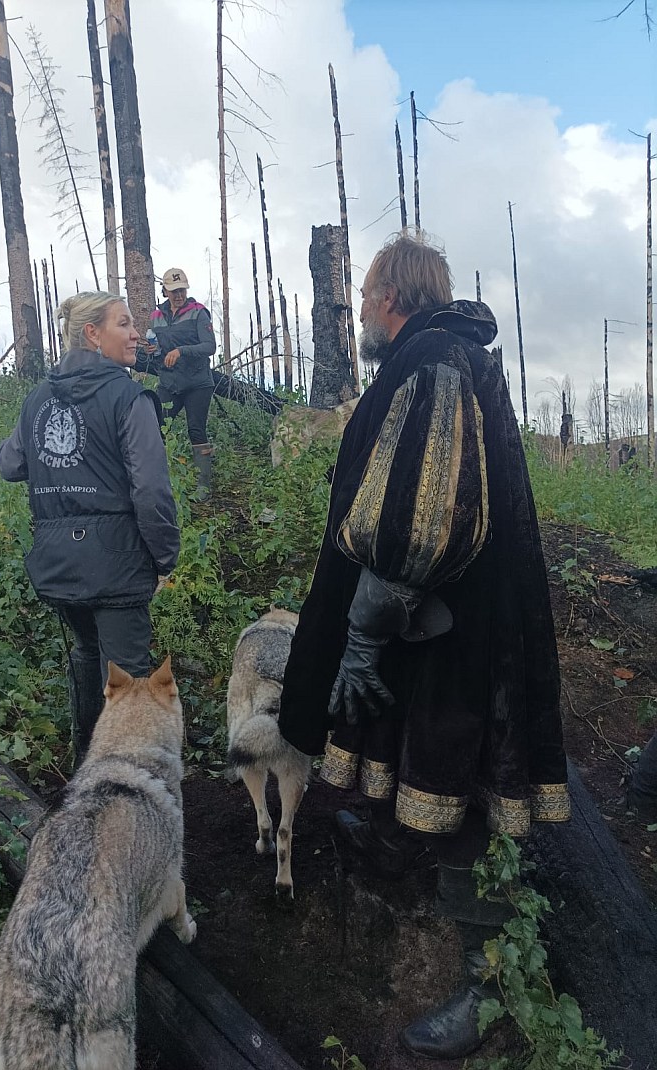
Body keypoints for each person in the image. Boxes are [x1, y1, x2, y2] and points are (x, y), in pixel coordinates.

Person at [277, 234, 571, 1059]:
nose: (361, 309)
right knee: (430, 759)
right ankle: (405, 836)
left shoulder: (434, 359)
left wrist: (364, 636)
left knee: (466, 782)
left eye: (367, 294)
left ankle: (493, 982)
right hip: (441, 620)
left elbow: (425, 512)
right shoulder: (435, 356)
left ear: (393, 295)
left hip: (457, 633)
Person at [0, 292, 180, 766]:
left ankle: (86, 763)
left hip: (59, 563)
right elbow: (152, 492)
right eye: (124, 323)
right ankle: (126, 782)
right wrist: (165, 558)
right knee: (128, 677)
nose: (136, 333)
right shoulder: (128, 396)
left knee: (87, 653)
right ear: (93, 334)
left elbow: (10, 463)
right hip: (119, 564)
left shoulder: (38, 398)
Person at [136, 267, 216, 500]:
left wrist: (181, 351)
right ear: (165, 291)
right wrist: (153, 350)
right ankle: (158, 482)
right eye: (173, 291)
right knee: (158, 428)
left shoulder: (198, 313)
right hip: (169, 382)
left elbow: (209, 346)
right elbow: (159, 351)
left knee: (196, 430)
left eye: (181, 290)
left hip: (198, 383)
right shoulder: (155, 317)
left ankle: (203, 486)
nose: (178, 295)